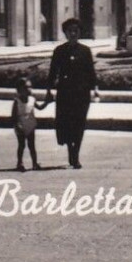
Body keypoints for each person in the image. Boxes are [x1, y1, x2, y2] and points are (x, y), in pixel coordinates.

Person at [45, 17, 98, 170]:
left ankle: (76, 154)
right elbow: (52, 72)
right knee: (67, 124)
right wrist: (48, 90)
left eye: (76, 31)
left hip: (82, 93)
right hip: (65, 93)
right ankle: (70, 150)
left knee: (80, 123)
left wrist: (95, 88)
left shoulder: (85, 51)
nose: (73, 34)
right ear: (66, 33)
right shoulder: (59, 51)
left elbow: (91, 72)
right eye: (70, 31)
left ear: (79, 32)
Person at [11, 77, 46, 172]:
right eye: (26, 87)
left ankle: (34, 163)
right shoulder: (17, 101)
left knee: (32, 145)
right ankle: (20, 163)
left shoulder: (32, 99)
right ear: (19, 90)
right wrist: (17, 125)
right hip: (21, 126)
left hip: (31, 125)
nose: (29, 89)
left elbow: (40, 107)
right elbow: (14, 116)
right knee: (21, 145)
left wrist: (47, 102)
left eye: (30, 87)